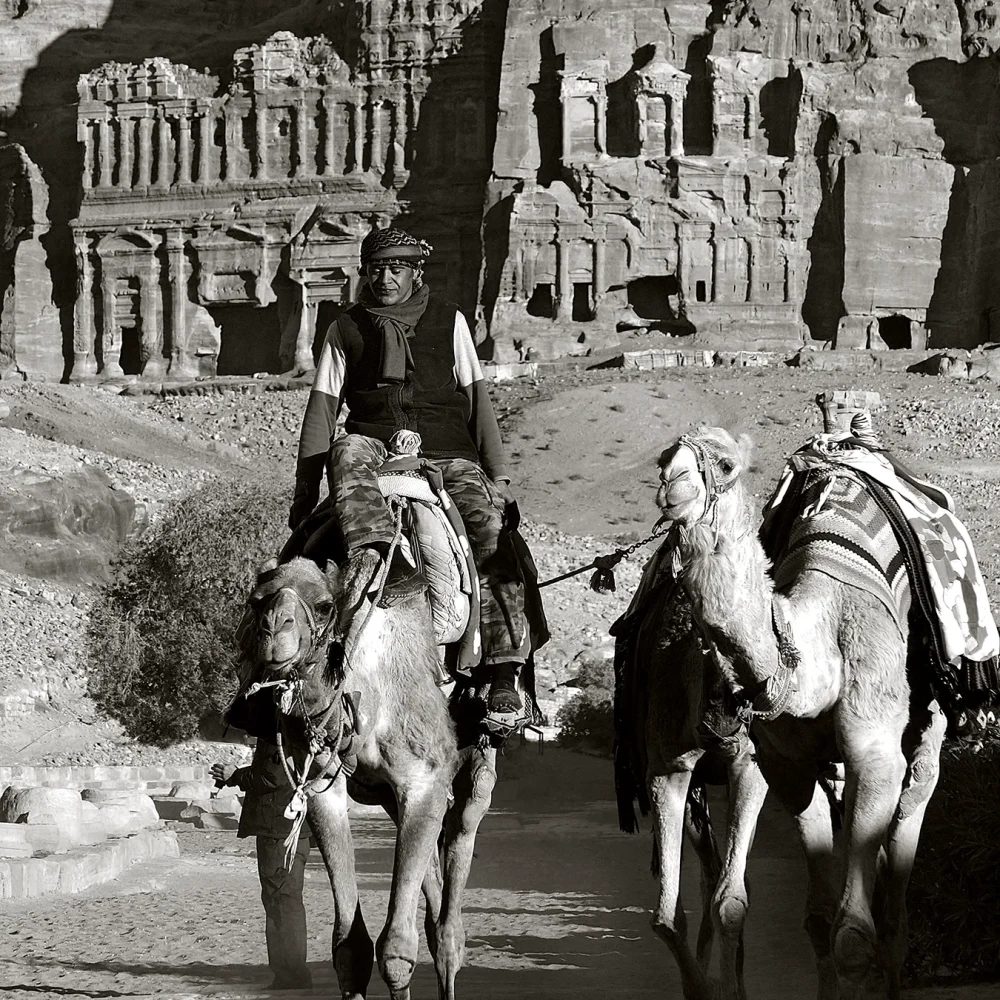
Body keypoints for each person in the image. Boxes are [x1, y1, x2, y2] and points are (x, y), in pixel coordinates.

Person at [288, 226, 528, 719]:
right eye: (376, 268)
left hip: (447, 451)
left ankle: (505, 671)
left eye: (396, 268)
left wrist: (498, 478)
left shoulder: (450, 320)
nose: (385, 277)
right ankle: (374, 555)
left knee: (490, 537)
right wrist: (304, 489)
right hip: (373, 446)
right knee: (347, 448)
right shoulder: (345, 328)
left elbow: (479, 401)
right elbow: (323, 411)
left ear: (416, 271)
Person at [210, 741, 312, 992]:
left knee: (280, 903)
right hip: (292, 830)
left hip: (278, 831)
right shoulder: (292, 729)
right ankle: (293, 973)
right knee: (287, 902)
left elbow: (272, 777)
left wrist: (235, 775)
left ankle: (290, 976)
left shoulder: (277, 732)